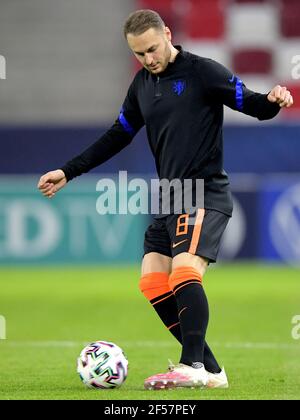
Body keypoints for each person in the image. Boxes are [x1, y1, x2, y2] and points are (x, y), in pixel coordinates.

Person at [38, 9, 293, 390]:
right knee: (153, 282)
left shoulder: (203, 72)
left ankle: (190, 365)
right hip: (170, 197)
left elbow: (254, 104)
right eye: (139, 54)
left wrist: (274, 99)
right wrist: (68, 170)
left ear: (168, 35)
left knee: (185, 271)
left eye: (152, 50)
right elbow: (116, 136)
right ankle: (211, 370)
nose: (148, 59)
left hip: (204, 191)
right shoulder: (142, 85)